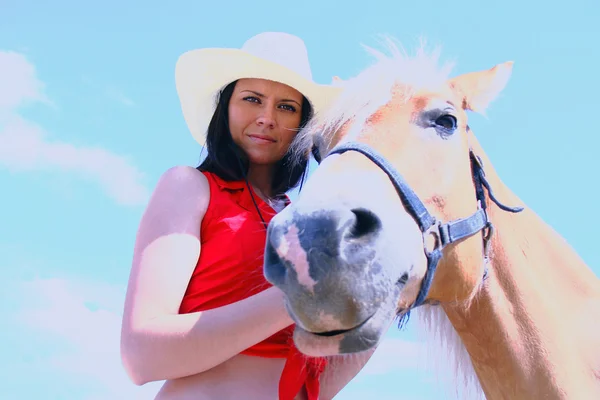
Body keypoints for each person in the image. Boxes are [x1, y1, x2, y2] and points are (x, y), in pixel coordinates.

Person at [120, 32, 376, 400]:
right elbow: (140, 356)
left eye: (287, 107)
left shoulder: (305, 226)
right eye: (252, 100)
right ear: (225, 108)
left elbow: (316, 384)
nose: (267, 118)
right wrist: (295, 295)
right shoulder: (190, 186)